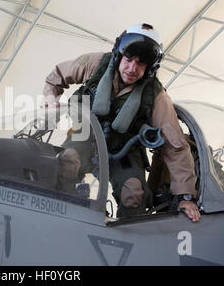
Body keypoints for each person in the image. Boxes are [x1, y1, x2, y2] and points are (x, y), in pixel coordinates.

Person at [43, 23, 201, 222]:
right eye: (129, 59)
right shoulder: (96, 64)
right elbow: (56, 76)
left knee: (133, 193)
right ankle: (60, 219)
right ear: (119, 55)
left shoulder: (156, 95)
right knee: (67, 161)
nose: (132, 68)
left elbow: (175, 144)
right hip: (85, 135)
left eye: (141, 64)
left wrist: (185, 196)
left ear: (150, 67)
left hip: (125, 150)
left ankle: (127, 239)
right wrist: (51, 100)